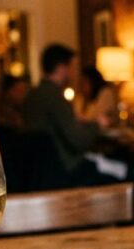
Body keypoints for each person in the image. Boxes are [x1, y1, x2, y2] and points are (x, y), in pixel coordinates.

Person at [24, 44, 110, 184]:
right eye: (71, 67)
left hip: (38, 172)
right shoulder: (55, 98)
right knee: (127, 171)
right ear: (61, 68)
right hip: (64, 170)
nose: (72, 73)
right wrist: (97, 125)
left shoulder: (32, 95)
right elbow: (78, 141)